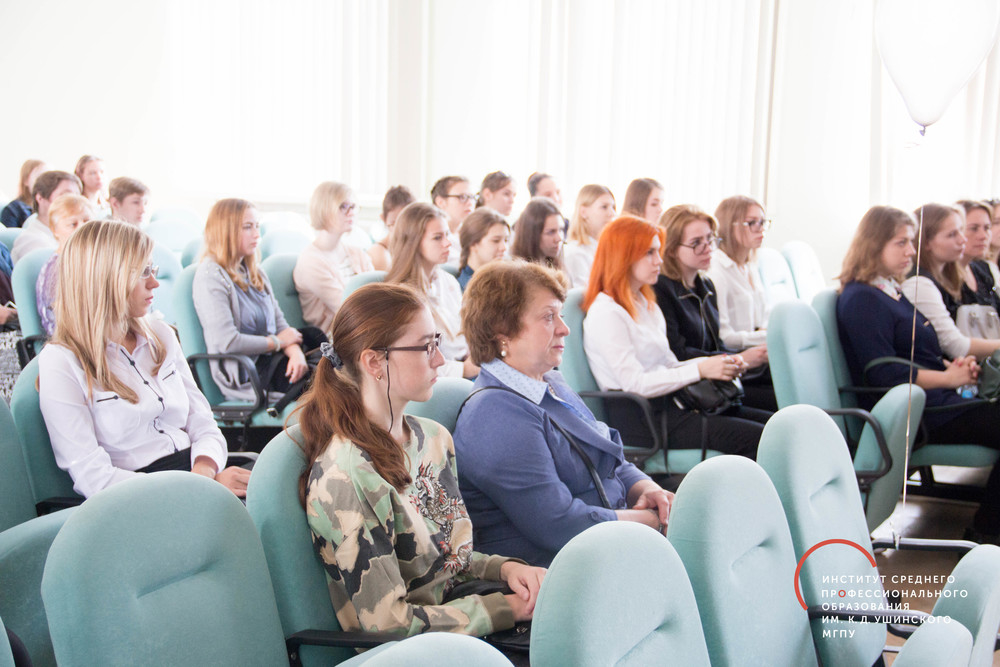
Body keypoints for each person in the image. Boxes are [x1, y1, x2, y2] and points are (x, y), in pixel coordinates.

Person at [299, 282, 545, 637]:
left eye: (437, 343)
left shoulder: (433, 438)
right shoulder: (349, 475)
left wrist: (505, 570)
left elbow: (449, 561)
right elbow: (387, 623)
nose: (440, 360)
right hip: (415, 650)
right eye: (425, 346)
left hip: (463, 617)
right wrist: (505, 609)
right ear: (374, 361)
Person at [453, 261, 675, 567]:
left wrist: (650, 490)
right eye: (548, 317)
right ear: (502, 332)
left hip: (611, 542)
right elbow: (559, 524)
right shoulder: (494, 416)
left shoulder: (549, 382)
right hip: (561, 568)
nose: (564, 328)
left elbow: (610, 460)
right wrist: (652, 522)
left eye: (560, 315)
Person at [37, 220, 250, 498]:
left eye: (153, 269)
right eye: (143, 272)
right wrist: (194, 489)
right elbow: (93, 476)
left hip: (198, 473)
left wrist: (204, 474)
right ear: (104, 279)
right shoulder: (61, 362)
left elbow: (202, 421)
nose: (155, 282)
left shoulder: (161, 334)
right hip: (141, 496)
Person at [837, 205, 1000, 543]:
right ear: (874, 244)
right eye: (901, 243)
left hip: (935, 400)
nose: (911, 251)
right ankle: (987, 531)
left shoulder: (887, 290)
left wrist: (950, 369)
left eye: (911, 242)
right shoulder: (862, 299)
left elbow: (912, 356)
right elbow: (884, 374)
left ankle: (988, 527)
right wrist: (948, 379)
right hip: (922, 412)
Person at [582, 216, 768, 458]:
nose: (659, 260)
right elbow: (634, 384)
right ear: (623, 257)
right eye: (649, 253)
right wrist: (700, 370)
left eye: (658, 251)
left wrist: (717, 363)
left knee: (774, 427)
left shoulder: (644, 303)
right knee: (761, 439)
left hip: (672, 406)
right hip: (644, 421)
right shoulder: (607, 313)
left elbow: (669, 364)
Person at [193, 198, 326, 404]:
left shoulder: (256, 272)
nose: (257, 234)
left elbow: (281, 324)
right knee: (331, 385)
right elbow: (228, 342)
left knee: (331, 360)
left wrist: (295, 353)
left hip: (273, 358)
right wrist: (278, 343)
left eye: (257, 226)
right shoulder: (210, 277)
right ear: (225, 231)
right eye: (248, 227)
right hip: (248, 371)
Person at [653, 204, 775, 411]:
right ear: (671, 249)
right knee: (777, 410)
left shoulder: (706, 286)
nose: (708, 248)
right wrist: (738, 358)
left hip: (716, 381)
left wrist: (742, 357)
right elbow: (676, 354)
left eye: (710, 239)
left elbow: (715, 344)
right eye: (696, 243)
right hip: (690, 393)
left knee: (781, 392)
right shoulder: (661, 290)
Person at [386, 202, 477, 379]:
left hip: (465, 365)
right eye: (437, 238)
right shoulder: (402, 297)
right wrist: (465, 369)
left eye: (447, 235)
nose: (447, 243)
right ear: (413, 243)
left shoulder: (447, 280)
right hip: (442, 379)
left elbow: (464, 332)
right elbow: (412, 362)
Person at [900, 202, 1000, 360]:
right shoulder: (919, 283)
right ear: (926, 242)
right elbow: (956, 347)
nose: (962, 240)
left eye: (961, 230)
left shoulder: (955, 275)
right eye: (952, 234)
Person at [294, 182, 374, 334]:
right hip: (337, 338)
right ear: (324, 210)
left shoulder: (357, 253)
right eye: (343, 206)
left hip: (366, 330)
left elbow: (376, 295)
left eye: (353, 207)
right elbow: (347, 309)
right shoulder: (310, 261)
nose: (351, 212)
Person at [707, 195, 772, 349]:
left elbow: (764, 316)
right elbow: (724, 337)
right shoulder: (717, 271)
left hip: (759, 347)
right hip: (738, 355)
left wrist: (766, 332)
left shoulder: (750, 265)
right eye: (752, 223)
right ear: (730, 226)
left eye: (762, 222)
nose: (761, 229)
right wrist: (767, 336)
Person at [36, 194, 96, 336]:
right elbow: (62, 325)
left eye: (87, 221)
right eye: (73, 224)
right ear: (55, 230)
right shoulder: (55, 270)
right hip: (70, 338)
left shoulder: (92, 259)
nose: (82, 227)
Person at [11, 171, 82, 263]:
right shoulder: (30, 241)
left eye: (77, 196)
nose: (75, 202)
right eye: (66, 195)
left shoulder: (72, 234)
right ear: (40, 198)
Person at [562, 185, 616, 288]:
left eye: (613, 207)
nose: (612, 213)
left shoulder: (606, 248)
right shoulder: (575, 253)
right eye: (604, 207)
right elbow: (583, 294)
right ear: (583, 212)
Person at [457, 208, 509, 290]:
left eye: (506, 240)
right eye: (495, 241)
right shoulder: (460, 289)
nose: (504, 247)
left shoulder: (506, 282)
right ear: (473, 244)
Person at [509, 197, 564, 272]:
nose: (559, 238)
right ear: (532, 235)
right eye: (551, 232)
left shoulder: (555, 264)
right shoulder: (517, 272)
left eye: (561, 230)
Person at [368, 185, 415, 270]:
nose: (401, 229)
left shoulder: (413, 249)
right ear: (383, 218)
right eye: (394, 223)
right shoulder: (379, 252)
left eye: (407, 222)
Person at [431, 176, 475, 264]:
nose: (470, 203)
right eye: (462, 197)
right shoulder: (431, 238)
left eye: (472, 197)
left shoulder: (472, 235)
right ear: (440, 202)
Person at [1, 159, 46, 228]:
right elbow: (9, 234)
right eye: (39, 177)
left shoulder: (54, 207)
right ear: (26, 180)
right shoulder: (13, 209)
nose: (46, 183)